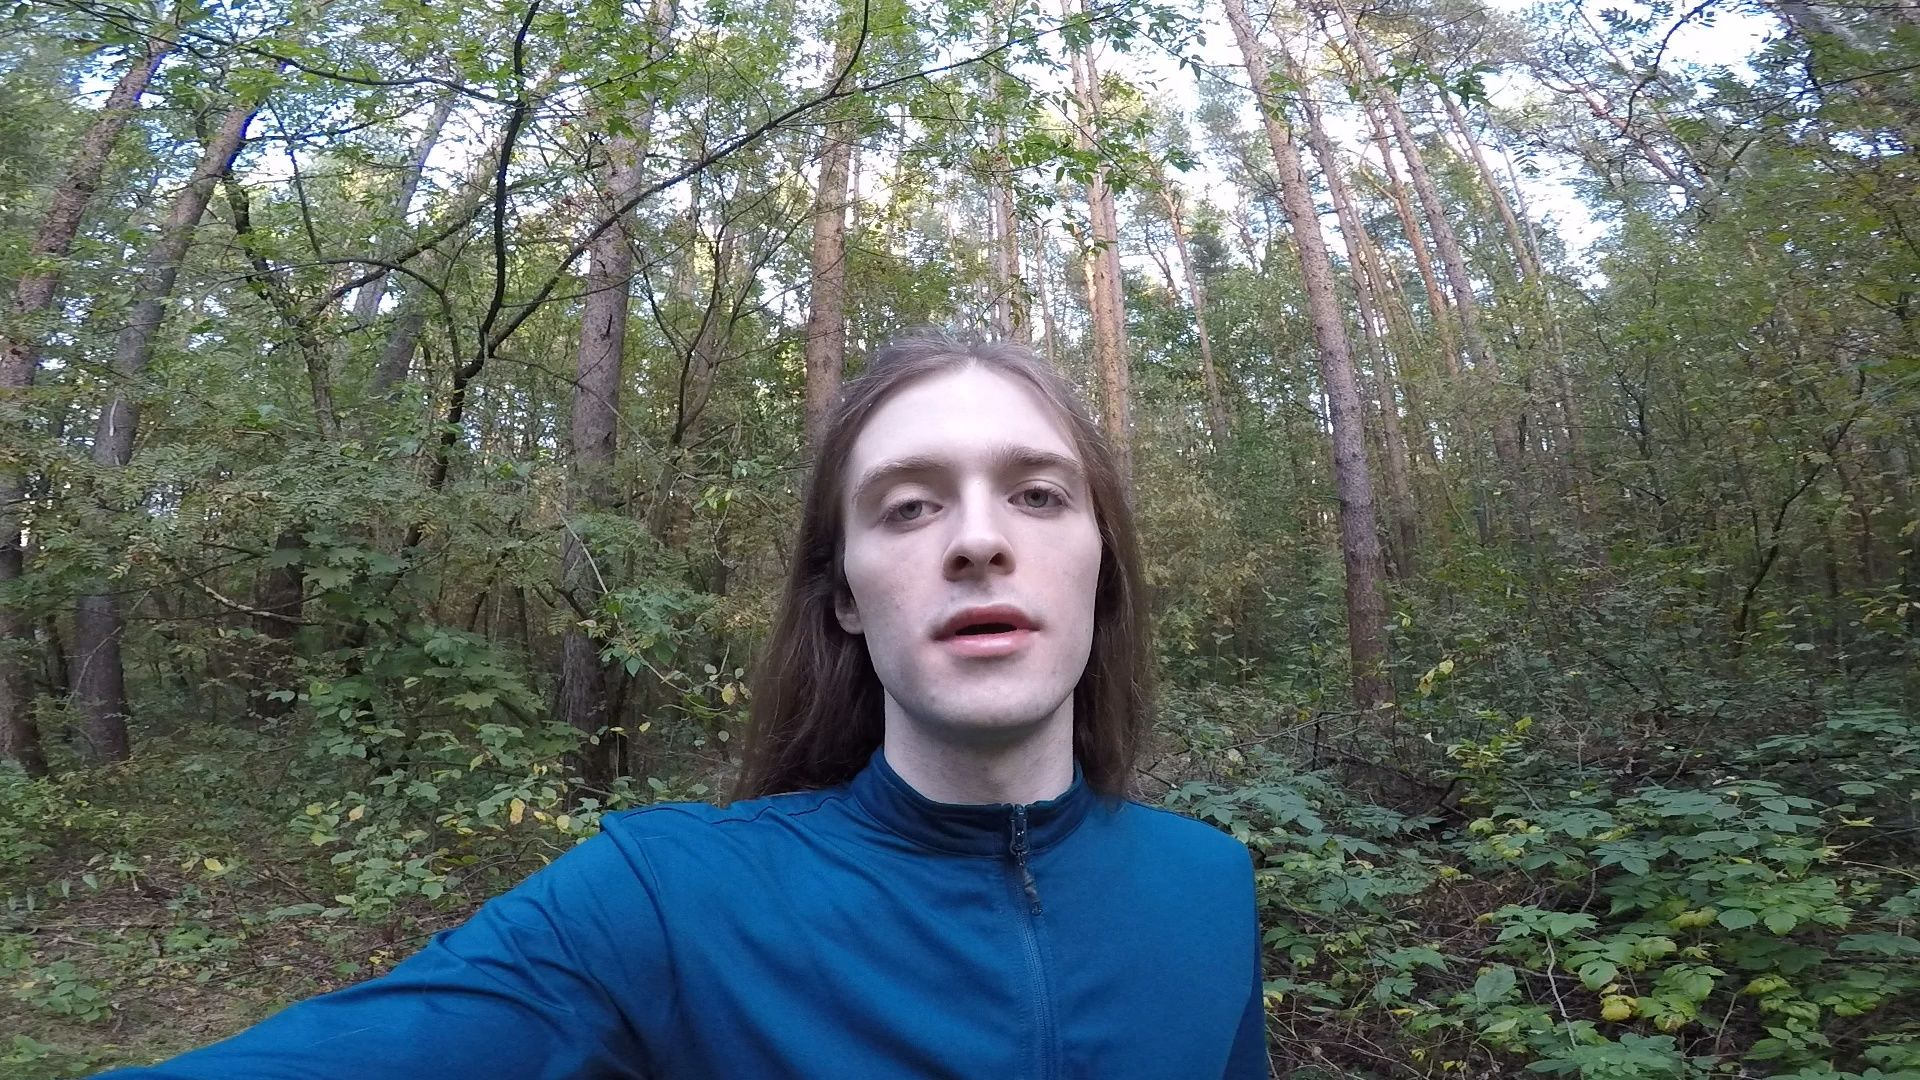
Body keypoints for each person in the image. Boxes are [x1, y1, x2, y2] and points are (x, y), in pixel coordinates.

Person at [100, 332, 1269, 1079]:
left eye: (1038, 495)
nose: (976, 540)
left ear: (1101, 565)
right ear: (845, 597)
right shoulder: (664, 901)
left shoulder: (1208, 885)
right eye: (908, 506)